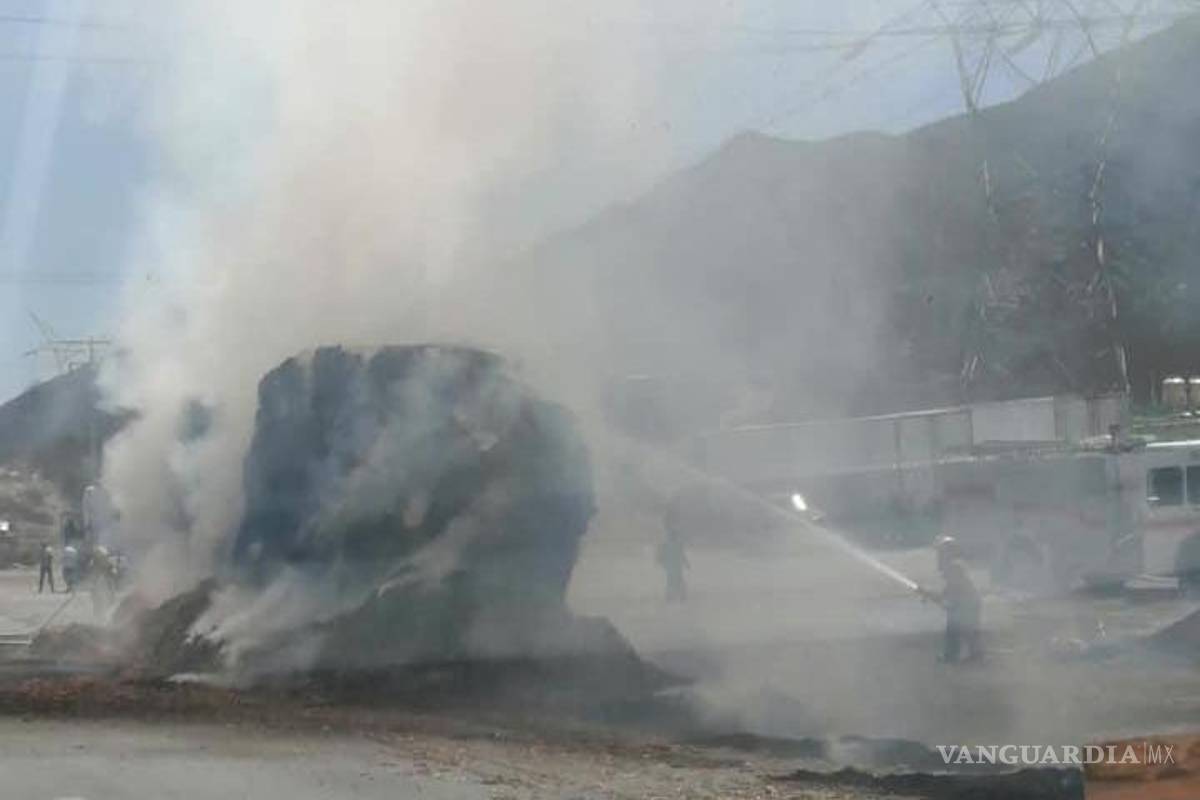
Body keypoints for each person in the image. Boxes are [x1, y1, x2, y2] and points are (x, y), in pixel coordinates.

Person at [918, 536, 983, 663]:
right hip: (966, 603)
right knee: (959, 630)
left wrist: (928, 594)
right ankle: (964, 655)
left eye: (941, 552)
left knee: (960, 629)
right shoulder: (954, 566)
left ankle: (960, 655)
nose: (939, 556)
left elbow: (948, 594)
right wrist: (929, 594)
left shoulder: (954, 567)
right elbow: (947, 594)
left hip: (967, 604)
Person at [656, 528, 689, 604]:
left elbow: (681, 555)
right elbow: (681, 555)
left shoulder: (667, 544)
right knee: (676, 581)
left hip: (672, 566)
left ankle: (672, 596)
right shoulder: (674, 544)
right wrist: (686, 563)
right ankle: (678, 596)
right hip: (674, 566)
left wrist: (660, 561)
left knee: (673, 581)